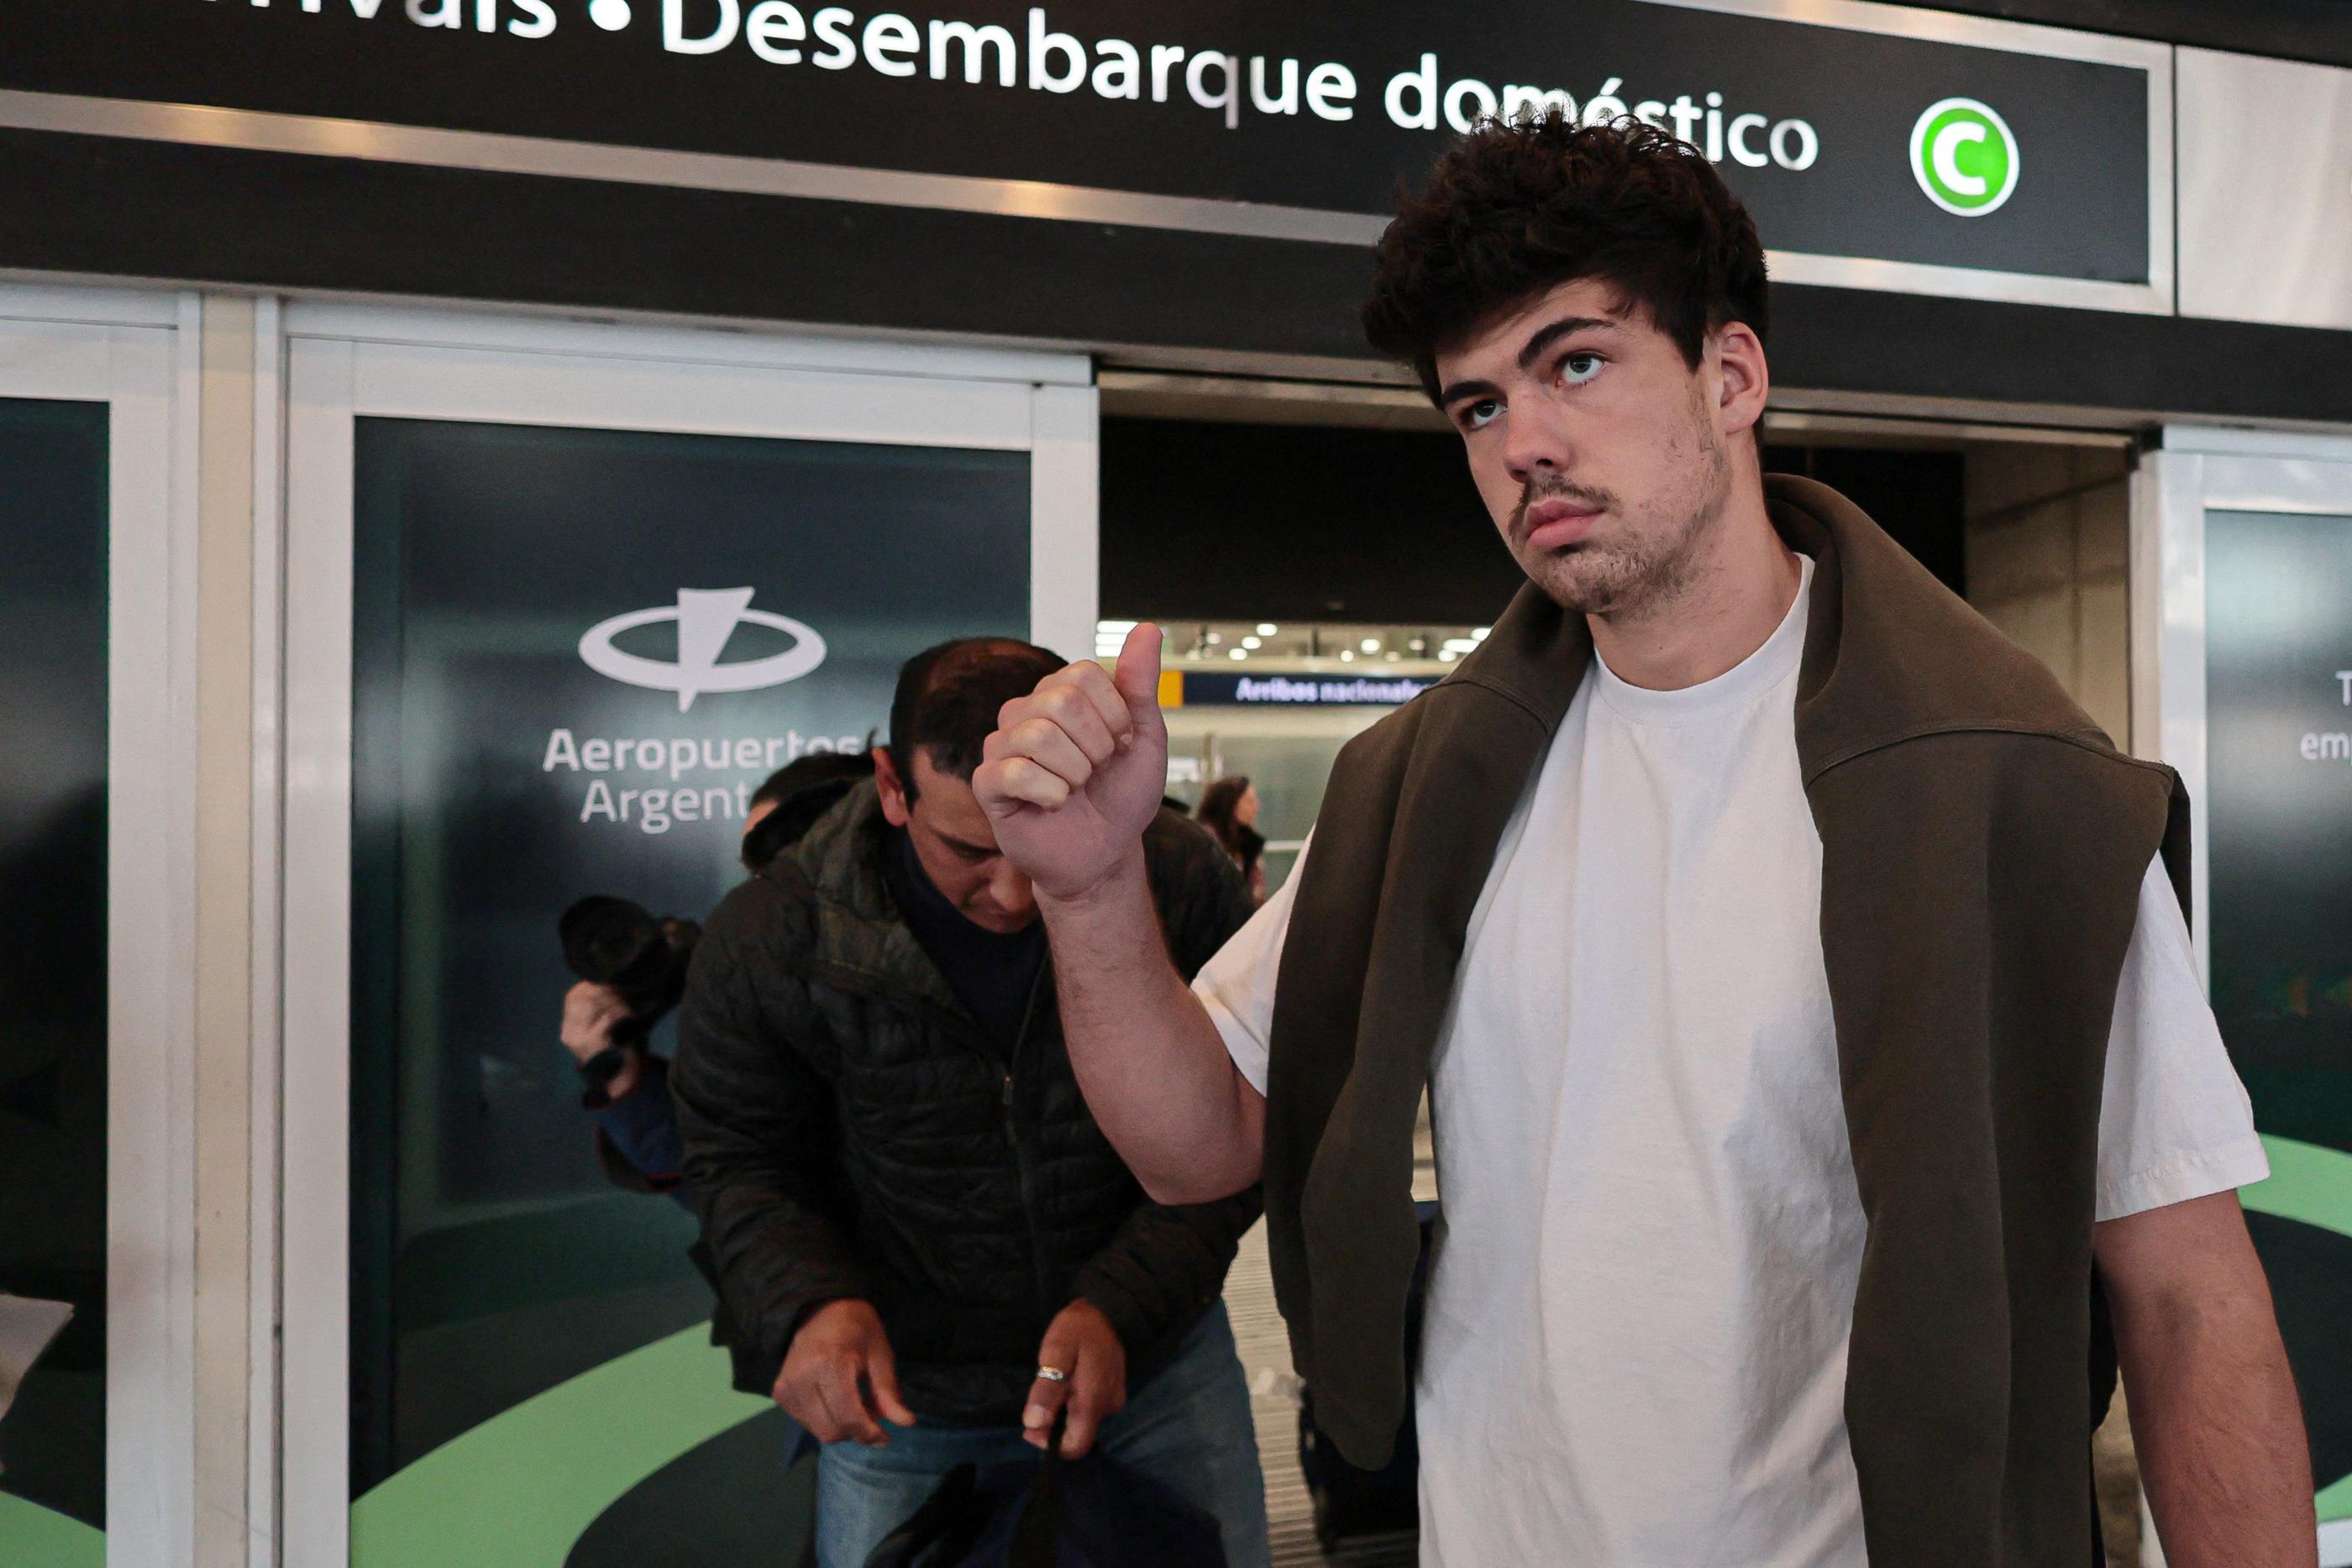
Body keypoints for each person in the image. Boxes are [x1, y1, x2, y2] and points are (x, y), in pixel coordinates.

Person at [972, 115, 2316, 1568]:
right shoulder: (1428, 783)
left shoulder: (2009, 787)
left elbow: (2187, 1294)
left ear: (1733, 375)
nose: (1524, 442)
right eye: (1476, 405)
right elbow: (1197, 1147)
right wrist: (1093, 886)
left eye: (1577, 363)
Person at [670, 637, 1272, 1568]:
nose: (1018, 889)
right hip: (912, 1401)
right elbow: (737, 1152)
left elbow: (1247, 1120)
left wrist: (1121, 1302)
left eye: (1042, 836)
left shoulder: (1180, 876)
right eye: (971, 849)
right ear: (890, 783)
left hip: (1155, 1366)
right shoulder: (773, 932)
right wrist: (806, 1302)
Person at [1193, 776, 1268, 904]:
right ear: (1230, 805)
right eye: (1249, 801)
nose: (1256, 807)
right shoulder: (1203, 843)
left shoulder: (1247, 843)